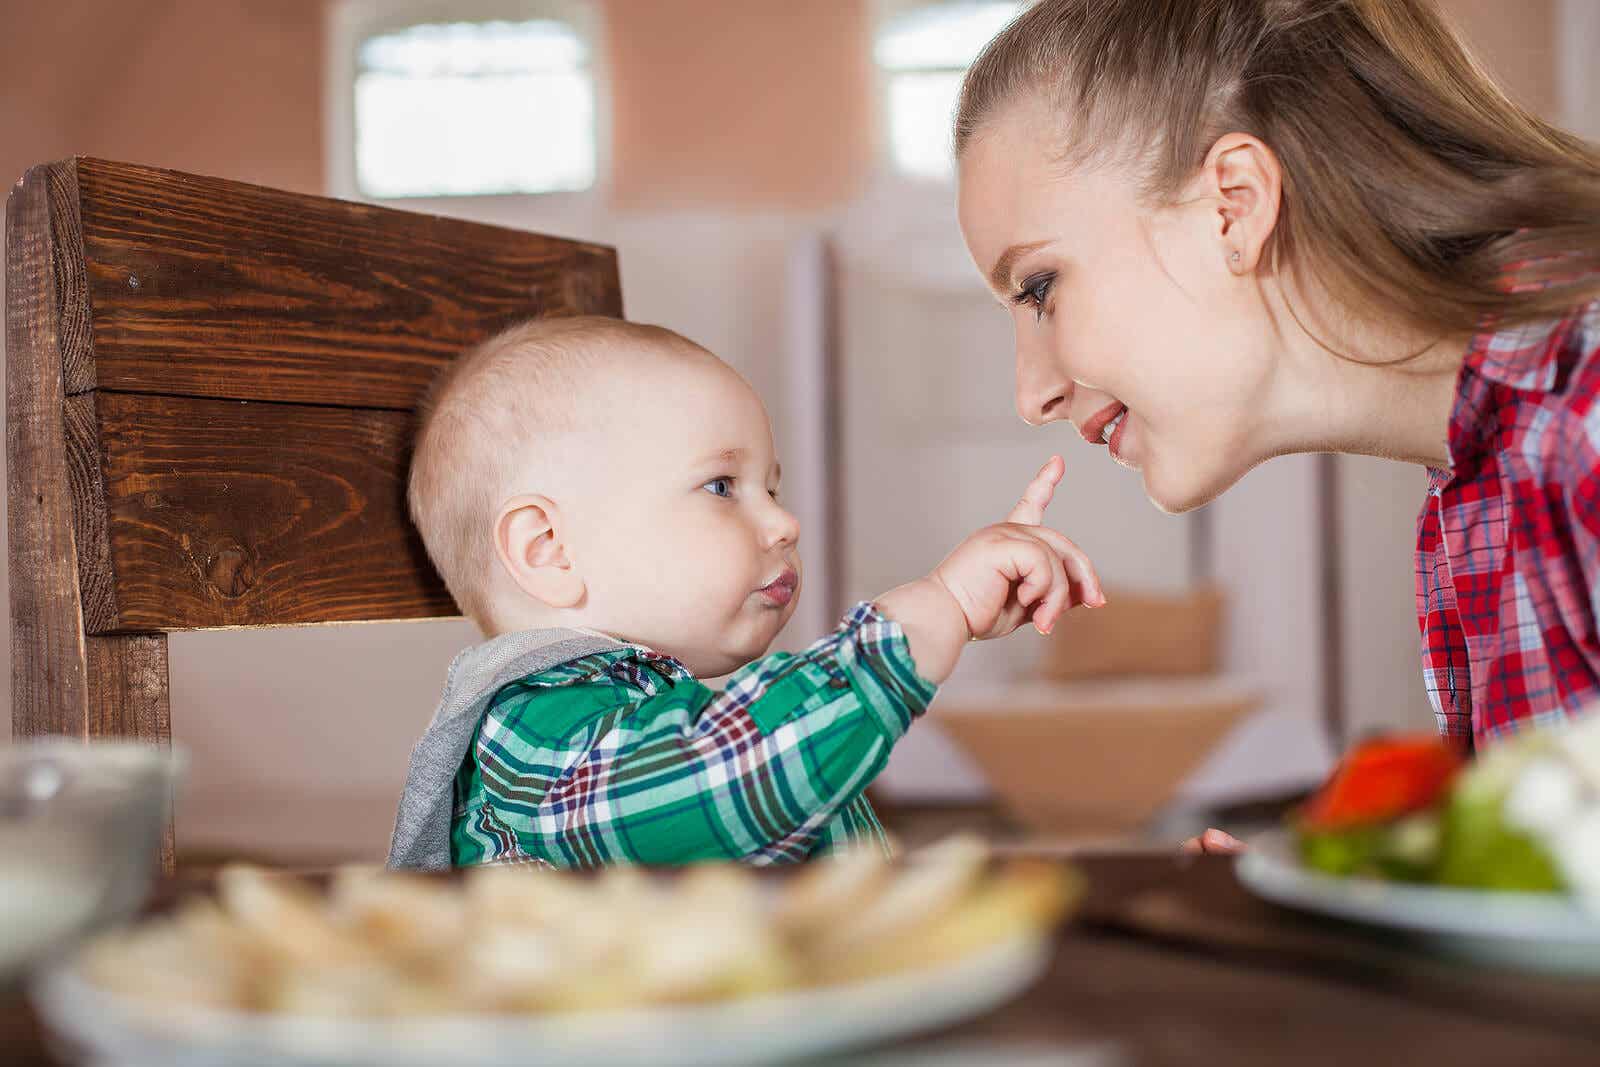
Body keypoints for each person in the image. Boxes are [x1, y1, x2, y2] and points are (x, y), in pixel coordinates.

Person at [951, 0, 1600, 853]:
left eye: (1038, 289)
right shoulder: (1478, 480)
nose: (1029, 394)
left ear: (1234, 204)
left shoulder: (1582, 411)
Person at [387, 316, 1103, 869]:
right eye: (721, 486)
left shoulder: (659, 713)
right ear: (549, 550)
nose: (784, 521)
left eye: (773, 486)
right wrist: (928, 616)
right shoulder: (535, 734)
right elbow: (727, 776)